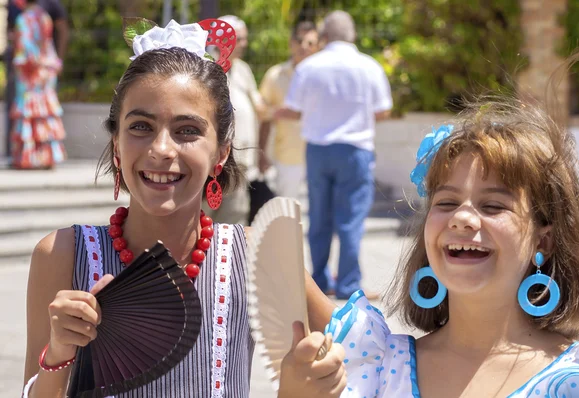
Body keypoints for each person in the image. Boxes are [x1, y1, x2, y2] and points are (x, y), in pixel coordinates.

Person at [21, 18, 345, 397]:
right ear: (117, 145)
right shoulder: (61, 255)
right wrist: (60, 353)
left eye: (187, 130)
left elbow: (368, 354)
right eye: (141, 126)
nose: (161, 149)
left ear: (221, 152)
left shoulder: (257, 255)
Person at [286, 94, 579, 396]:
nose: (461, 218)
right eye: (446, 202)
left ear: (542, 239)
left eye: (492, 206)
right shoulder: (376, 367)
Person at [276, 10, 393, 300]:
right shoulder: (370, 66)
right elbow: (383, 111)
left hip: (318, 149)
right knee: (351, 219)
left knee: (319, 217)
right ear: (352, 35)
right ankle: (349, 284)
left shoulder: (309, 67)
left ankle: (318, 281)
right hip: (355, 150)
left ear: (324, 35)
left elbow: (294, 108)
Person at [204, 14, 268, 226]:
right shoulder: (203, 66)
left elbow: (259, 107)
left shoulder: (242, 69)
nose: (244, 44)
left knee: (233, 223)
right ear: (220, 38)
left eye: (244, 39)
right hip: (210, 163)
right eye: (239, 38)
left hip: (240, 164)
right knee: (202, 220)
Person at [257, 20, 319, 200]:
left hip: (322, 158)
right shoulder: (275, 75)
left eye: (310, 43)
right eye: (299, 41)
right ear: (291, 43)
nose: (304, 47)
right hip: (287, 158)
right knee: (287, 213)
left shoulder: (325, 76)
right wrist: (261, 155)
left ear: (318, 46)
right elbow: (264, 117)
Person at [5, 0, 69, 159]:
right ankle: (48, 155)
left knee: (28, 112)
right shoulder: (45, 16)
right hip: (47, 68)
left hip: (30, 71)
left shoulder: (23, 18)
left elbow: (24, 49)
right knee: (45, 112)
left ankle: (29, 157)